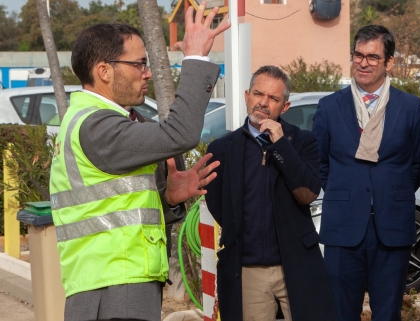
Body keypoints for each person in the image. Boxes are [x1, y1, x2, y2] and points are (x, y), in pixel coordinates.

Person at [48, 3, 229, 320]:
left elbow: (109, 204)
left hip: (111, 284)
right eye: (139, 64)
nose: (147, 73)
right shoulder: (97, 127)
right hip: (116, 288)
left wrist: (166, 197)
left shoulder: (85, 121)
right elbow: (180, 133)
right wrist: (196, 57)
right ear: (104, 71)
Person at [312, 24, 420, 321]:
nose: (363, 62)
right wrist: (348, 195)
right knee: (339, 313)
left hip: (393, 228)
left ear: (389, 62)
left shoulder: (412, 108)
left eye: (373, 57)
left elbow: (417, 165)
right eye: (358, 55)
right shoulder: (328, 107)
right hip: (343, 228)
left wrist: (388, 194)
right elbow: (322, 165)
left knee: (388, 314)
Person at [205, 66, 336, 321]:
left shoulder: (302, 142)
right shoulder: (222, 149)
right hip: (247, 269)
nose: (263, 103)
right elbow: (218, 204)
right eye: (258, 94)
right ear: (246, 96)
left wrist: (281, 146)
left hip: (296, 266)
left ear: (284, 107)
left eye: (273, 98)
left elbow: (307, 193)